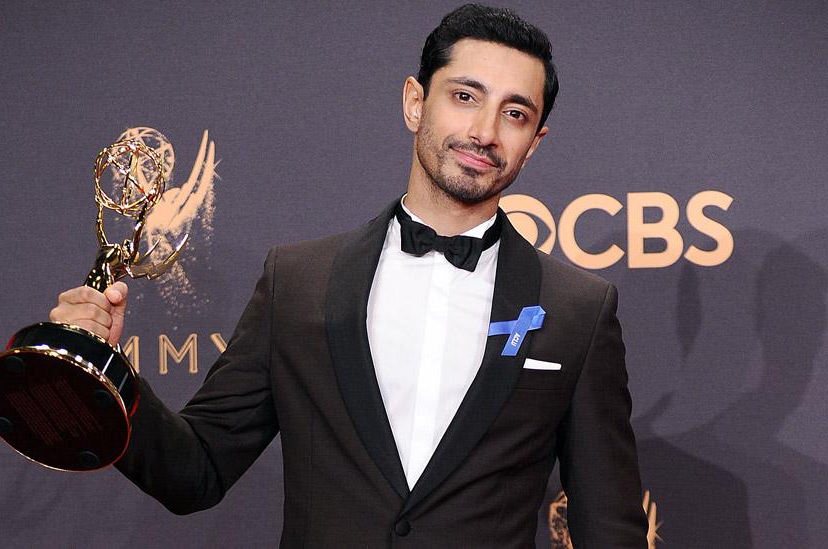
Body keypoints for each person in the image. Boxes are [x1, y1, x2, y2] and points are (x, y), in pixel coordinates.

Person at [50, 4, 648, 547]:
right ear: (415, 102)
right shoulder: (300, 282)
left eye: (514, 113)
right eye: (465, 96)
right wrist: (102, 372)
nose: (485, 132)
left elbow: (608, 526)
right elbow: (196, 471)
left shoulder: (578, 310)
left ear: (534, 142)